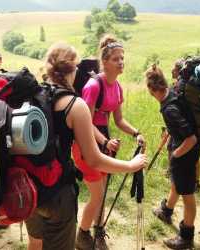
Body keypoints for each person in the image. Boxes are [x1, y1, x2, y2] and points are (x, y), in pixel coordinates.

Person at [25, 42, 148, 250]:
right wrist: (131, 165)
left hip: (30, 185)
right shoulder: (75, 105)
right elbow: (93, 159)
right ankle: (86, 234)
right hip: (57, 192)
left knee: (36, 243)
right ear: (73, 68)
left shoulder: (34, 96)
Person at [72, 35, 146, 250]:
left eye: (122, 58)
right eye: (115, 58)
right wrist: (105, 142)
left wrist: (136, 133)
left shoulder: (117, 87)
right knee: (98, 193)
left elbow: (119, 120)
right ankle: (82, 235)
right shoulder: (94, 86)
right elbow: (83, 121)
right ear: (104, 61)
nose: (121, 62)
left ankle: (98, 231)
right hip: (87, 141)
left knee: (101, 192)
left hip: (104, 140)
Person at [145, 65, 199, 250]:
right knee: (177, 182)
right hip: (181, 149)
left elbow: (191, 138)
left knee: (188, 194)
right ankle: (166, 211)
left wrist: (175, 154)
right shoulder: (173, 92)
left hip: (185, 153)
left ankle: (186, 237)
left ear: (152, 89)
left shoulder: (170, 109)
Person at [171, 59, 200, 192]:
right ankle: (196, 182)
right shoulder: (191, 86)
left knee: (178, 155)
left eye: (174, 68)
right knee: (195, 158)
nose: (171, 70)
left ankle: (180, 180)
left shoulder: (180, 86)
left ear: (179, 71)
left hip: (184, 131)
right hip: (196, 128)